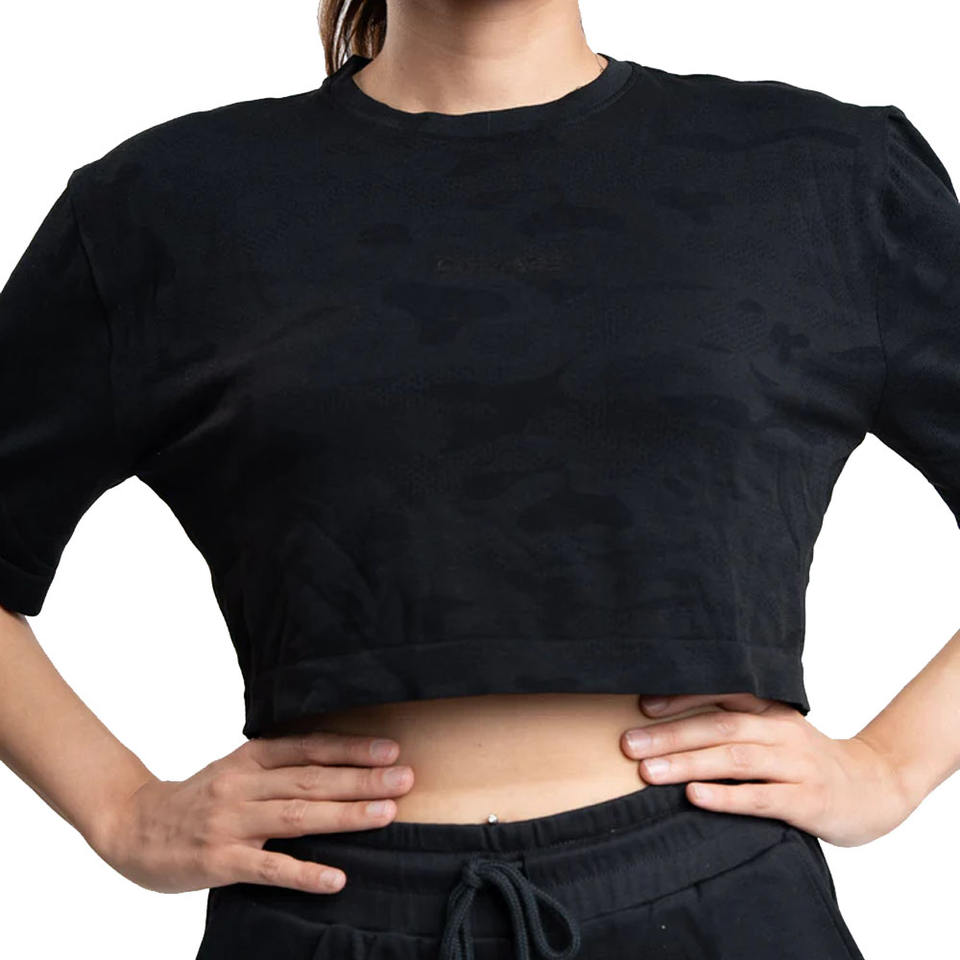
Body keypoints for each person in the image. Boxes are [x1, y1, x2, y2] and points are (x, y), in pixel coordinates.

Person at [1, 1, 959, 957]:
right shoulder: (163, 204)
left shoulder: (823, 174)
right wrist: (121, 810)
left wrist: (891, 766)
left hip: (719, 905)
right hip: (323, 910)